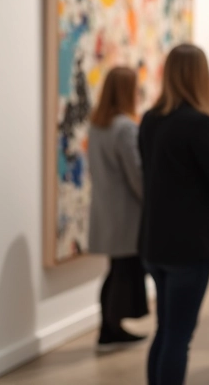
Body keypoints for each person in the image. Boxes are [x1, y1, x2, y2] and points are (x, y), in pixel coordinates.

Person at [138, 44, 209, 385]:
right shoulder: (198, 123)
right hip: (188, 245)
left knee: (166, 330)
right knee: (179, 336)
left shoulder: (151, 120)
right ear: (198, 76)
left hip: (155, 242)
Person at [87, 66, 148, 352]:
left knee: (116, 270)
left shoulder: (97, 125)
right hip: (126, 213)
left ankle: (110, 328)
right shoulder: (124, 127)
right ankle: (110, 331)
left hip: (106, 209)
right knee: (123, 272)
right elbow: (136, 174)